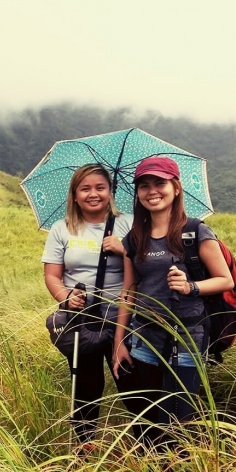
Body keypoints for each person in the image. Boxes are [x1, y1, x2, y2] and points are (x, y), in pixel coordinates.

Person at [112, 157, 233, 444]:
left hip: (188, 337)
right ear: (138, 194)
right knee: (149, 418)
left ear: (175, 187)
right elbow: (129, 290)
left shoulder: (194, 231)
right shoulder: (134, 238)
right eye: (144, 186)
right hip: (145, 340)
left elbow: (224, 280)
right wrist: (119, 342)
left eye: (159, 183)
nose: (152, 191)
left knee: (178, 419)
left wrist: (190, 286)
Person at [42, 163, 135, 448]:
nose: (93, 194)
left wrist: (124, 248)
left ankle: (149, 446)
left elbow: (145, 265)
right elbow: (52, 275)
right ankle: (83, 447)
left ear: (110, 191)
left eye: (100, 187)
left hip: (122, 315)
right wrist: (66, 298)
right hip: (81, 316)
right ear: (75, 194)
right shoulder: (62, 229)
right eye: (85, 188)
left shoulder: (129, 224)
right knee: (85, 384)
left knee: (130, 379)